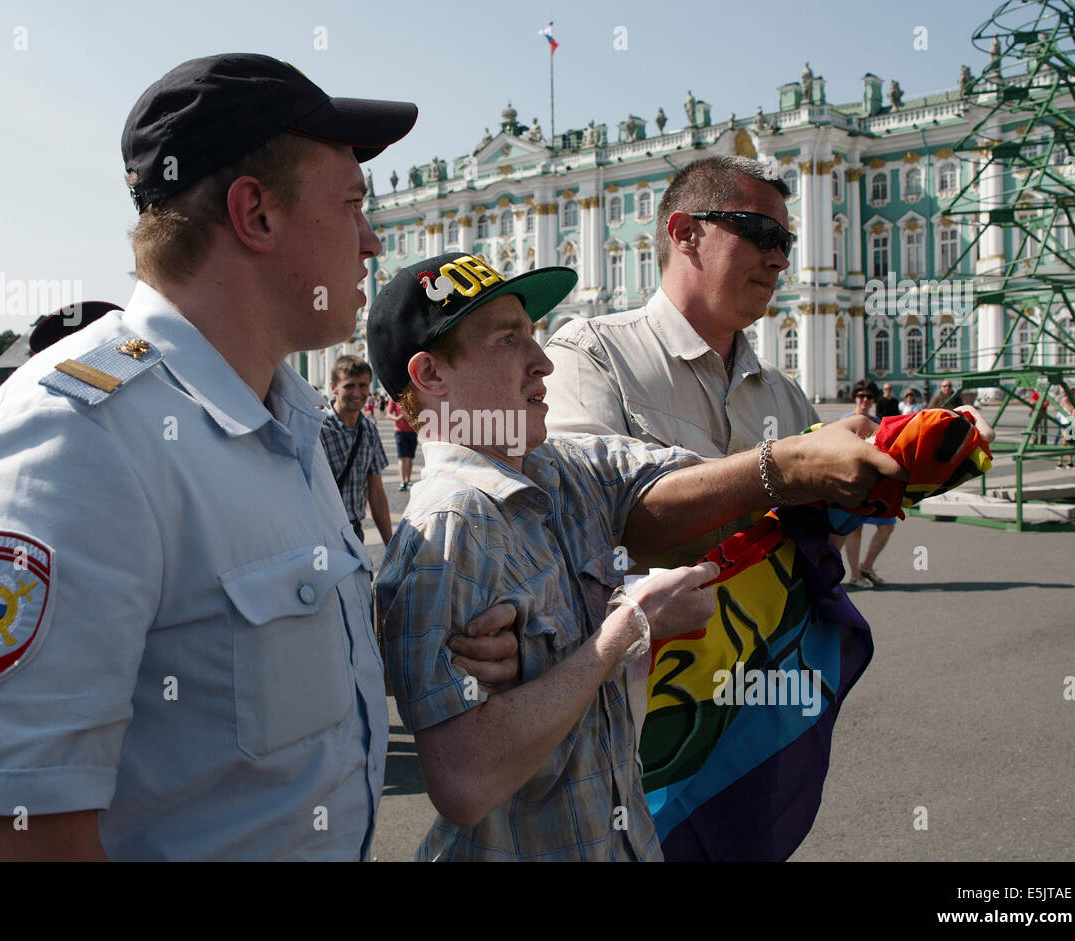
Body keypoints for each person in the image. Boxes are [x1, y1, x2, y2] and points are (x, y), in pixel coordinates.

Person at [0, 53, 519, 862]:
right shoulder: (67, 447)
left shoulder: (279, 415)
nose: (373, 241)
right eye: (352, 205)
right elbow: (9, 842)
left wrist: (429, 640)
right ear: (255, 214)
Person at [366, 252, 905, 860]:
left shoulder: (564, 469)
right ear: (431, 376)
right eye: (508, 338)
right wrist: (627, 629)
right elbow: (464, 783)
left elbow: (710, 477)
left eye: (534, 334)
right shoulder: (449, 530)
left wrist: (901, 446)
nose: (541, 360)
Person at [544, 155, 828, 563]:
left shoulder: (785, 393)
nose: (779, 260)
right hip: (649, 629)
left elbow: (817, 543)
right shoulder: (592, 354)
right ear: (685, 233)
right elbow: (587, 520)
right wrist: (780, 468)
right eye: (762, 233)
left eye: (785, 242)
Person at [321, 355, 391, 544]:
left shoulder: (369, 430)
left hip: (355, 533)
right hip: (320, 534)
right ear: (333, 388)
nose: (357, 392)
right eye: (349, 385)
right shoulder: (316, 429)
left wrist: (390, 544)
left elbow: (375, 491)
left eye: (362, 385)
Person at [836, 379, 897, 589]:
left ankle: (867, 566)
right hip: (853, 482)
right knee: (855, 529)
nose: (864, 400)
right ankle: (854, 575)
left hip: (876, 483)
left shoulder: (876, 422)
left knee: (887, 527)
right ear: (855, 397)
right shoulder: (845, 421)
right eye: (861, 395)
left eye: (868, 396)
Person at [387, 394, 418, 490]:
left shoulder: (412, 397)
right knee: (402, 457)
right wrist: (397, 419)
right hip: (400, 431)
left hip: (412, 431)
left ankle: (408, 480)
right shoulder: (394, 398)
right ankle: (402, 481)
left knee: (410, 457)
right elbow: (388, 414)